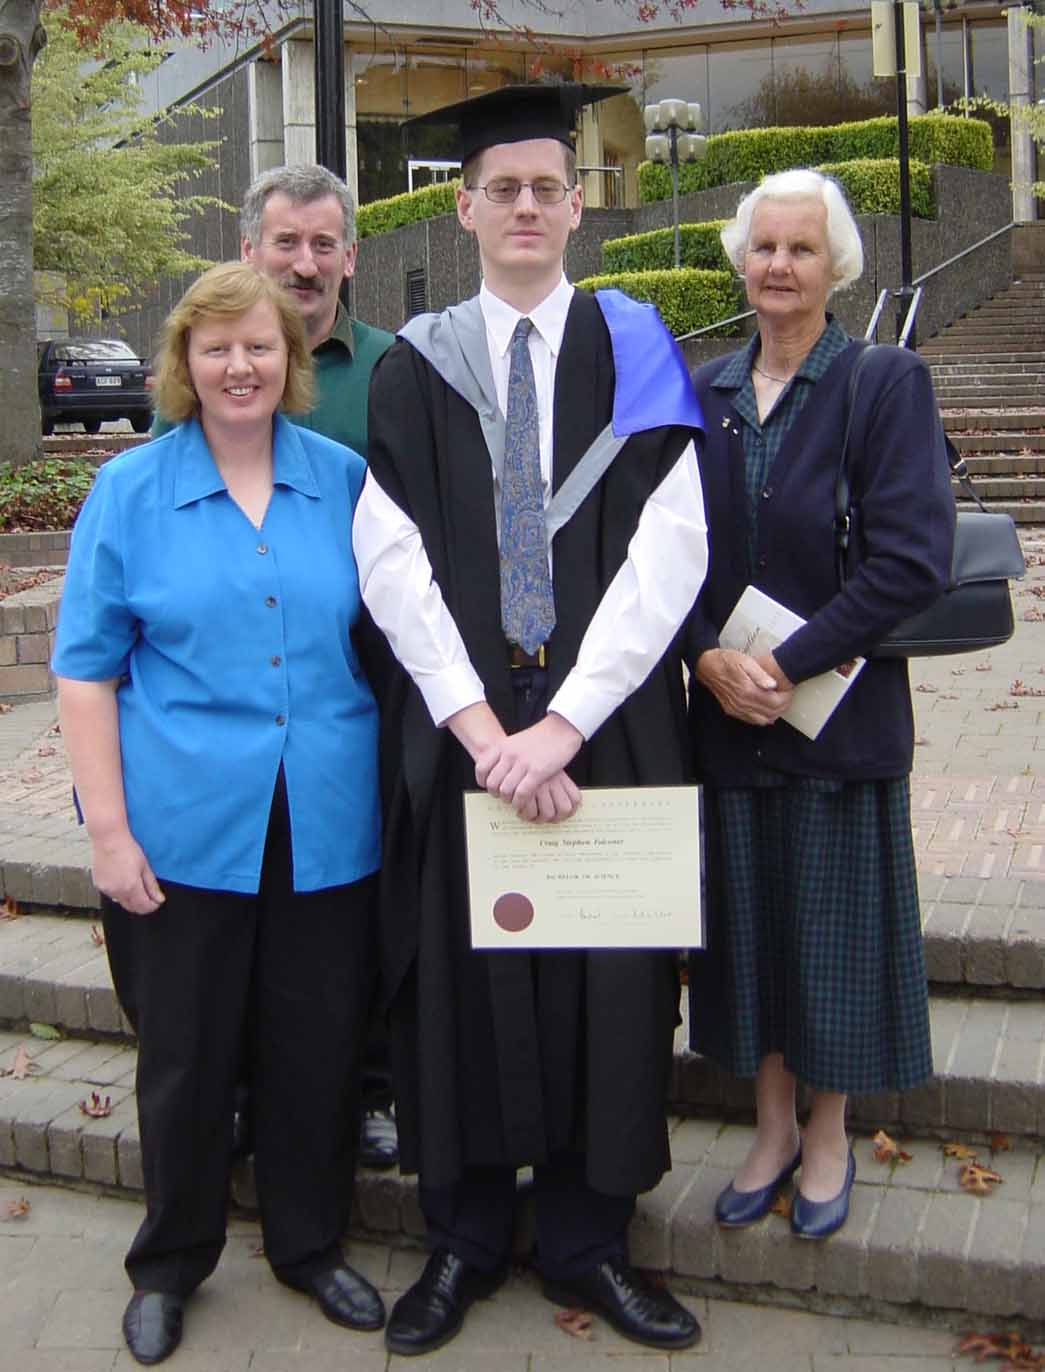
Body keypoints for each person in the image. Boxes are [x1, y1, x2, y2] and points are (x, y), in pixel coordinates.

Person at [353, 83, 709, 1357]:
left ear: (575, 206)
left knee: (607, 980)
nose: (523, 207)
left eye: (544, 189)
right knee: (460, 973)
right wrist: (477, 726)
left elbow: (672, 545)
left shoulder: (635, 345)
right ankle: (460, 1237)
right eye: (499, 189)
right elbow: (388, 557)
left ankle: (588, 1241)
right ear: (462, 208)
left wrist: (558, 725)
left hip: (602, 724)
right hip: (464, 736)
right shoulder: (414, 364)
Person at [52, 262, 385, 1365]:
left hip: (325, 817)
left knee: (316, 1048)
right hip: (183, 825)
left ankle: (309, 1243)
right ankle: (170, 1262)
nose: (240, 366)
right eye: (217, 348)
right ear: (183, 365)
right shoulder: (131, 491)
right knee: (186, 1057)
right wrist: (108, 833)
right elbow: (84, 672)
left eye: (260, 346)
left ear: (292, 360)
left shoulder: (343, 481)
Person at [685, 170, 955, 1241]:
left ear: (834, 265)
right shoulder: (702, 391)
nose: (779, 266)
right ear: (739, 260)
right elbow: (662, 555)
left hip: (835, 721)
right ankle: (768, 1127)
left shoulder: (880, 383)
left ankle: (829, 1131)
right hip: (728, 721)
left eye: (800, 248)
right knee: (750, 933)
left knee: (828, 940)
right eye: (763, 246)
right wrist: (706, 656)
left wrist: (786, 662)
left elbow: (910, 558)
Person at [154, 163, 400, 1170]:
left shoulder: (392, 370)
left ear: (350, 256)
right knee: (238, 922)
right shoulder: (207, 367)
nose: (305, 261)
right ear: (250, 248)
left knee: (345, 917)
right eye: (286, 242)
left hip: (356, 691)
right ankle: (238, 1097)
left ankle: (366, 1087)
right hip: (229, 704)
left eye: (322, 243)